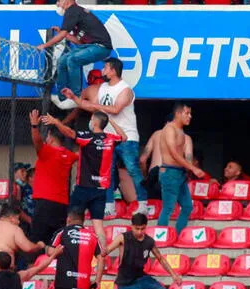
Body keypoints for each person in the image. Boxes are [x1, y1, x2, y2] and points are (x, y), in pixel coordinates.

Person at [62, 58, 148, 216]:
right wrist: (74, 98)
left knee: (133, 169)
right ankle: (109, 205)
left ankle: (143, 203)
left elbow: (115, 109)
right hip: (108, 137)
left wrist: (96, 106)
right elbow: (90, 105)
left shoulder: (125, 89)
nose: (102, 70)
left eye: (105, 67)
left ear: (113, 70)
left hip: (126, 136)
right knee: (106, 172)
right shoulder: (102, 88)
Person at [41, 111, 127, 251]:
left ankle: (66, 252)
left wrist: (56, 122)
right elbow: (124, 136)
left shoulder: (87, 137)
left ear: (94, 122)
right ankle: (102, 258)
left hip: (84, 187)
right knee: (98, 225)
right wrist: (110, 120)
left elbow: (69, 133)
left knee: (71, 220)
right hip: (101, 190)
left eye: (91, 119)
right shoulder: (110, 139)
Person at [103, 213, 182, 289]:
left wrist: (174, 275)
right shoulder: (123, 238)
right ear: (132, 226)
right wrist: (101, 251)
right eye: (137, 228)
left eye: (142, 228)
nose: (140, 232)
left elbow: (160, 258)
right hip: (126, 284)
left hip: (142, 279)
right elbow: (107, 250)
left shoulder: (149, 241)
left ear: (146, 227)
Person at [37, 0, 113, 110]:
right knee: (62, 61)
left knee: (72, 59)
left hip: (100, 47)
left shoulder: (72, 11)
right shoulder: (77, 12)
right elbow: (79, 41)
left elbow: (62, 34)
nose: (57, 4)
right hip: (89, 46)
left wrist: (44, 45)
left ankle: (76, 97)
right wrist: (64, 34)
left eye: (58, 1)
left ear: (66, 1)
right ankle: (63, 97)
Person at [47, 207, 103, 289]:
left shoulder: (62, 232)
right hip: (82, 285)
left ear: (68, 219)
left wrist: (49, 250)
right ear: (83, 221)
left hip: (63, 284)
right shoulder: (92, 236)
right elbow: (101, 258)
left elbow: (51, 252)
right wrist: (97, 281)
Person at [28, 110, 78, 245]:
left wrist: (34, 126)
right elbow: (83, 151)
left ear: (50, 136)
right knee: (56, 242)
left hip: (45, 203)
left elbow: (37, 142)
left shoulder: (47, 151)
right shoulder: (69, 155)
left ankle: (35, 264)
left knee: (37, 241)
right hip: (61, 205)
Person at [157, 102, 205, 234]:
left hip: (179, 173)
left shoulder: (181, 131)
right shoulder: (169, 128)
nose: (190, 116)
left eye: (190, 113)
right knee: (168, 208)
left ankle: (178, 235)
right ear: (178, 113)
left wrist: (188, 168)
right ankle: (161, 238)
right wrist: (193, 168)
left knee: (188, 206)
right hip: (170, 172)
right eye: (187, 113)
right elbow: (173, 153)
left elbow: (183, 155)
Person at [140, 114, 194, 200]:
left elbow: (142, 160)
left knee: (153, 209)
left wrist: (145, 177)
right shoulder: (186, 138)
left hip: (154, 176)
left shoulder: (156, 134)